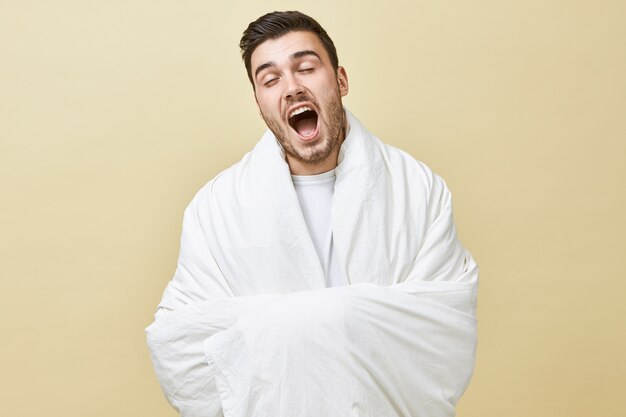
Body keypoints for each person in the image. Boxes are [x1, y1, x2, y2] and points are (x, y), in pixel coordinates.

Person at [146, 10, 478, 417]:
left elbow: (444, 338)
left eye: (306, 67)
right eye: (270, 79)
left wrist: (271, 330)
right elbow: (180, 350)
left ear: (340, 81)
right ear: (258, 102)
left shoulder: (418, 189)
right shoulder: (216, 208)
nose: (292, 88)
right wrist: (353, 317)